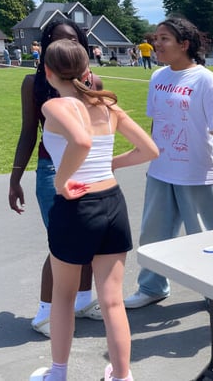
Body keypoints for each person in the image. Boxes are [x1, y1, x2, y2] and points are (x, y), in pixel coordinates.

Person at [29, 39, 158, 381]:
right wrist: (107, 165)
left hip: (76, 207)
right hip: (111, 204)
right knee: (112, 301)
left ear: (47, 71)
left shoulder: (54, 106)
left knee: (63, 296)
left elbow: (82, 142)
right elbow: (148, 150)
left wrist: (61, 181)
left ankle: (58, 374)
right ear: (87, 70)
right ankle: (121, 375)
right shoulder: (107, 107)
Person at [123, 17, 213, 315]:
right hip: (161, 170)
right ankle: (151, 287)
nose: (156, 43)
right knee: (153, 235)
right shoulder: (158, 76)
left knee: (203, 237)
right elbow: (156, 122)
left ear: (184, 45)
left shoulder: (207, 81)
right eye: (156, 38)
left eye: (164, 39)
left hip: (197, 172)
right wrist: (150, 159)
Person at [9, 19, 105, 338]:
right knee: (62, 243)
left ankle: (82, 301)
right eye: (58, 39)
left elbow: (98, 133)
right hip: (52, 170)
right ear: (47, 44)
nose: (66, 46)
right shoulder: (32, 83)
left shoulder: (94, 82)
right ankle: (45, 312)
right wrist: (15, 179)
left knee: (91, 239)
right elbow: (26, 134)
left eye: (74, 40)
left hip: (88, 168)